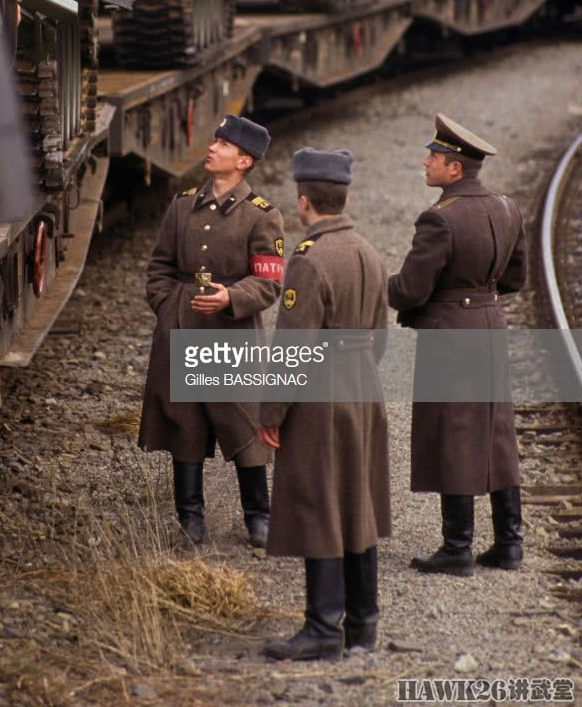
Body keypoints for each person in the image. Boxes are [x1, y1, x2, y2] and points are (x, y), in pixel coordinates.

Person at [258, 147, 390, 661]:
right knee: (358, 504)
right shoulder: (369, 252)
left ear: (304, 202)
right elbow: (379, 339)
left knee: (318, 504)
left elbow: (293, 347)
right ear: (346, 197)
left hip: (319, 392)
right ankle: (363, 626)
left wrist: (272, 414)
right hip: (363, 387)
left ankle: (321, 629)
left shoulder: (310, 262)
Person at [388, 113, 527, 576]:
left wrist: (373, 286)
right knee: (496, 431)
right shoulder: (507, 207)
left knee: (454, 432)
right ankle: (509, 544)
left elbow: (409, 290)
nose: (426, 162)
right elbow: (515, 279)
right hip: (490, 326)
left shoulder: (439, 220)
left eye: (434, 156)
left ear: (455, 168)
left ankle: (457, 548)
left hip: (449, 334)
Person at [139, 115, 285, 547]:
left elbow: (270, 282)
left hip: (232, 335)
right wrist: (168, 306)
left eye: (223, 143)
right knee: (184, 423)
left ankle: (258, 515)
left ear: (244, 160)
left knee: (243, 423)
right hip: (180, 328)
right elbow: (159, 267)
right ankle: (190, 518)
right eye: (215, 138)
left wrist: (230, 299)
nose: (212, 146)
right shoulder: (182, 205)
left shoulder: (263, 216)